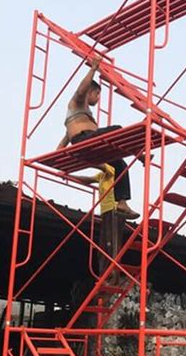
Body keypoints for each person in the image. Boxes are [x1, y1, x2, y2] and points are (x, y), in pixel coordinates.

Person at [57, 57, 139, 220]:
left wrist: (60, 158)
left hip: (88, 144)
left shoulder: (80, 119)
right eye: (97, 94)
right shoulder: (77, 103)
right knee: (117, 129)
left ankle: (122, 203)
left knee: (120, 164)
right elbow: (81, 90)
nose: (98, 98)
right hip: (84, 140)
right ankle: (139, 152)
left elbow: (63, 142)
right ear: (91, 92)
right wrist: (93, 68)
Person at [74, 163, 125, 282]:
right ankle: (105, 274)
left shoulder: (112, 169)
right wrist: (69, 176)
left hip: (114, 210)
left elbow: (101, 166)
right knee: (103, 245)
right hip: (105, 212)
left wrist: (87, 159)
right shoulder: (101, 176)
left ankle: (114, 275)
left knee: (112, 243)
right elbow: (89, 180)